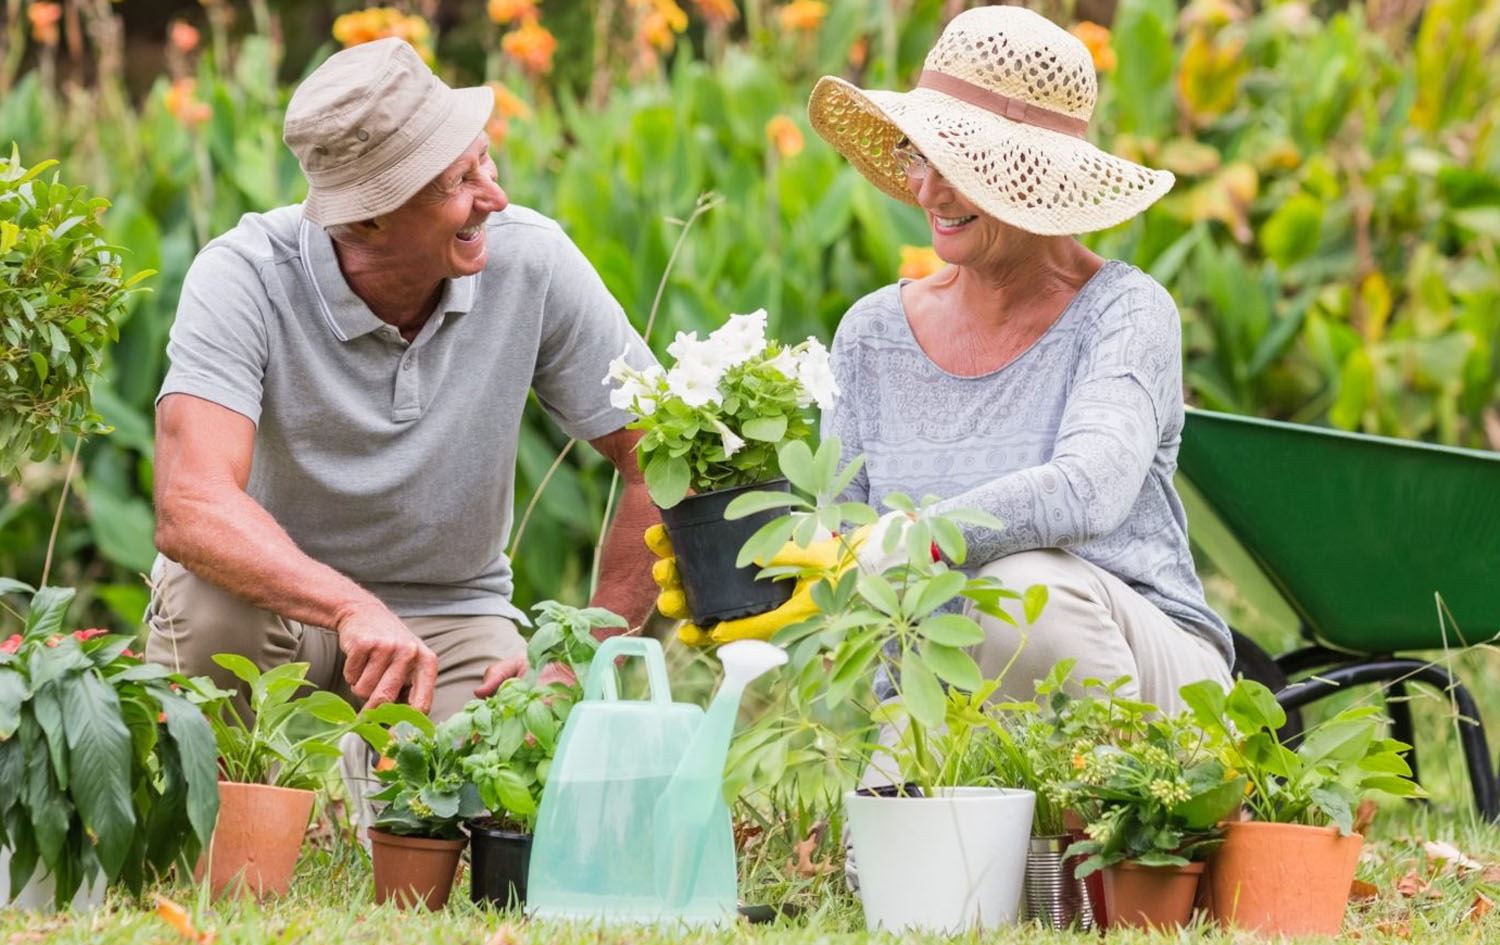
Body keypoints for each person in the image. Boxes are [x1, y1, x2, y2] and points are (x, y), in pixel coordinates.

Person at [655, 6, 1232, 714]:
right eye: (919, 156)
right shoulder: (872, 334)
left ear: (1038, 173)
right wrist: (748, 569)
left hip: (1151, 682)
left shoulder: (1124, 313)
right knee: (888, 805)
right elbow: (847, 541)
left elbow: (1089, 489)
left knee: (1024, 590)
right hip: (942, 699)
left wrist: (908, 540)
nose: (927, 191)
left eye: (958, 163)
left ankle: (1114, 819)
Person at [145, 37, 660, 724]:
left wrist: (579, 658)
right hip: (274, 604)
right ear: (367, 217)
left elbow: (658, 453)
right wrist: (349, 605)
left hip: (453, 613)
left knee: (502, 773)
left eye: (485, 161)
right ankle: (227, 824)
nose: (495, 197)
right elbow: (191, 501)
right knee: (206, 612)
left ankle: (400, 821)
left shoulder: (532, 261)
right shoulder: (244, 274)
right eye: (459, 183)